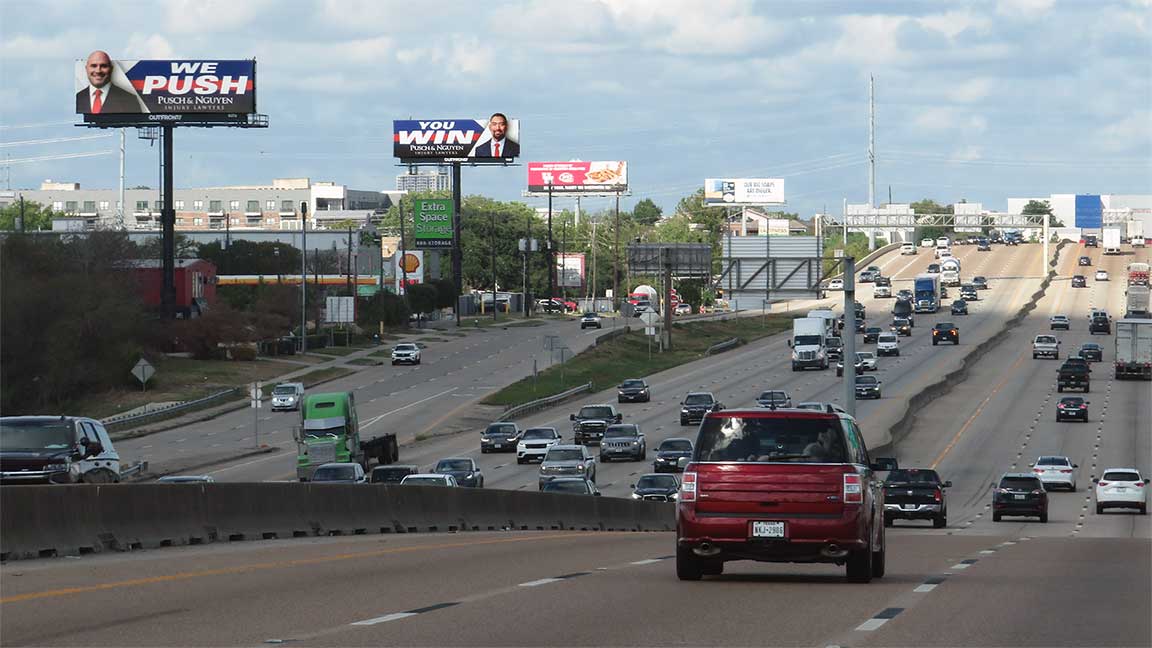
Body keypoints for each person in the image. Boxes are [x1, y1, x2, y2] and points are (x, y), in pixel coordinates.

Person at [75, 50, 140, 114]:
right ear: (86, 69)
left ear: (111, 69)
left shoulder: (130, 99)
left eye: (103, 66)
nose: (98, 71)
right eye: (94, 66)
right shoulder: (79, 97)